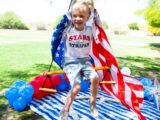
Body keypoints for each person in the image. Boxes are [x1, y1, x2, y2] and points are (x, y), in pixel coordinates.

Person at [59, 1, 99, 120]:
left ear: (87, 17)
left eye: (81, 16)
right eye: (74, 15)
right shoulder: (68, 28)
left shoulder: (90, 29)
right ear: (71, 16)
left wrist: (91, 8)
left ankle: (92, 102)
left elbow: (95, 16)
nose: (77, 18)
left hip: (85, 61)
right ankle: (66, 109)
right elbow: (65, 16)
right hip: (70, 61)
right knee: (76, 88)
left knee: (95, 78)